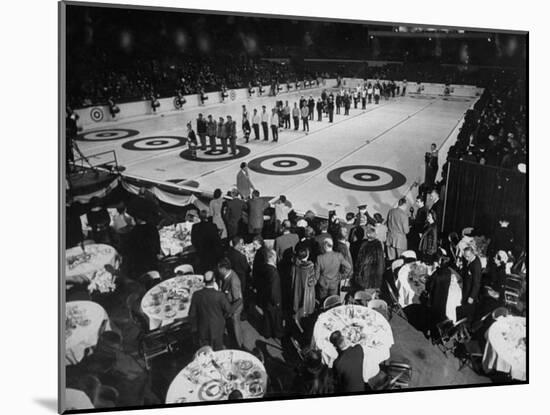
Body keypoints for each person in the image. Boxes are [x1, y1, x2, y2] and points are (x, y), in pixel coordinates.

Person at [188, 271, 233, 350]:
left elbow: (192, 314)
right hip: (217, 329)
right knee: (218, 351)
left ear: (204, 281)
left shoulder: (196, 295)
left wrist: (194, 330)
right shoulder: (220, 295)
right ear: (214, 279)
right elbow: (229, 310)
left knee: (206, 352)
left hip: (203, 330)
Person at [218, 257, 244, 348]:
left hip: (234, 308)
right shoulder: (227, 275)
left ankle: (239, 345)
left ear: (224, 269)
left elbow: (238, 300)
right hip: (228, 304)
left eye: (219, 268)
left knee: (235, 326)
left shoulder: (233, 281)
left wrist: (229, 312)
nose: (218, 270)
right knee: (230, 327)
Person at [263, 249, 284, 339]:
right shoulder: (274, 273)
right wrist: (277, 302)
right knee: (276, 318)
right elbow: (274, 290)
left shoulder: (264, 267)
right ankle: (278, 334)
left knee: (267, 317)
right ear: (272, 258)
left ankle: (267, 332)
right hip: (273, 300)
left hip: (265, 297)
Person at [291, 247, 317, 318]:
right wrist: (316, 280)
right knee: (305, 307)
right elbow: (311, 282)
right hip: (307, 291)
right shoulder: (310, 267)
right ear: (307, 255)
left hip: (297, 288)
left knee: (297, 304)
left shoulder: (295, 264)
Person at [459, 246, 482, 320]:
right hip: (466, 288)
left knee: (468, 310)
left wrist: (472, 296)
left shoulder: (476, 265)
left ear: (472, 254)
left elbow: (476, 283)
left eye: (467, 257)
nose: (466, 258)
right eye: (465, 256)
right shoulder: (469, 259)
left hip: (470, 292)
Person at [226, 236, 251, 300]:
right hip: (241, 278)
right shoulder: (241, 256)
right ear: (238, 244)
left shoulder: (228, 253)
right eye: (242, 244)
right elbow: (247, 269)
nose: (242, 245)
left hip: (231, 276)